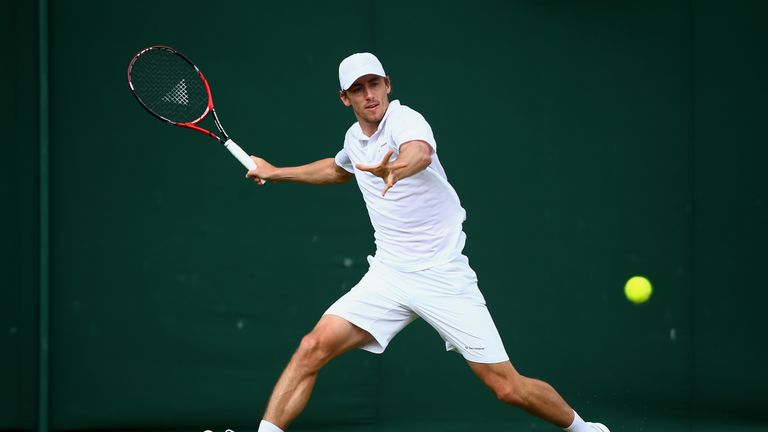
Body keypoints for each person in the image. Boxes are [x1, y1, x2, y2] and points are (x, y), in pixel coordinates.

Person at [244, 53, 610, 432]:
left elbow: (418, 151)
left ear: (387, 84)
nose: (369, 95)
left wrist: (396, 168)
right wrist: (276, 172)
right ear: (345, 98)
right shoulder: (354, 139)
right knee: (311, 348)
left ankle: (586, 430)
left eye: (374, 84)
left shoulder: (406, 120)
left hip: (442, 276)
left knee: (507, 388)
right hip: (388, 275)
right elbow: (338, 169)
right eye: (358, 88)